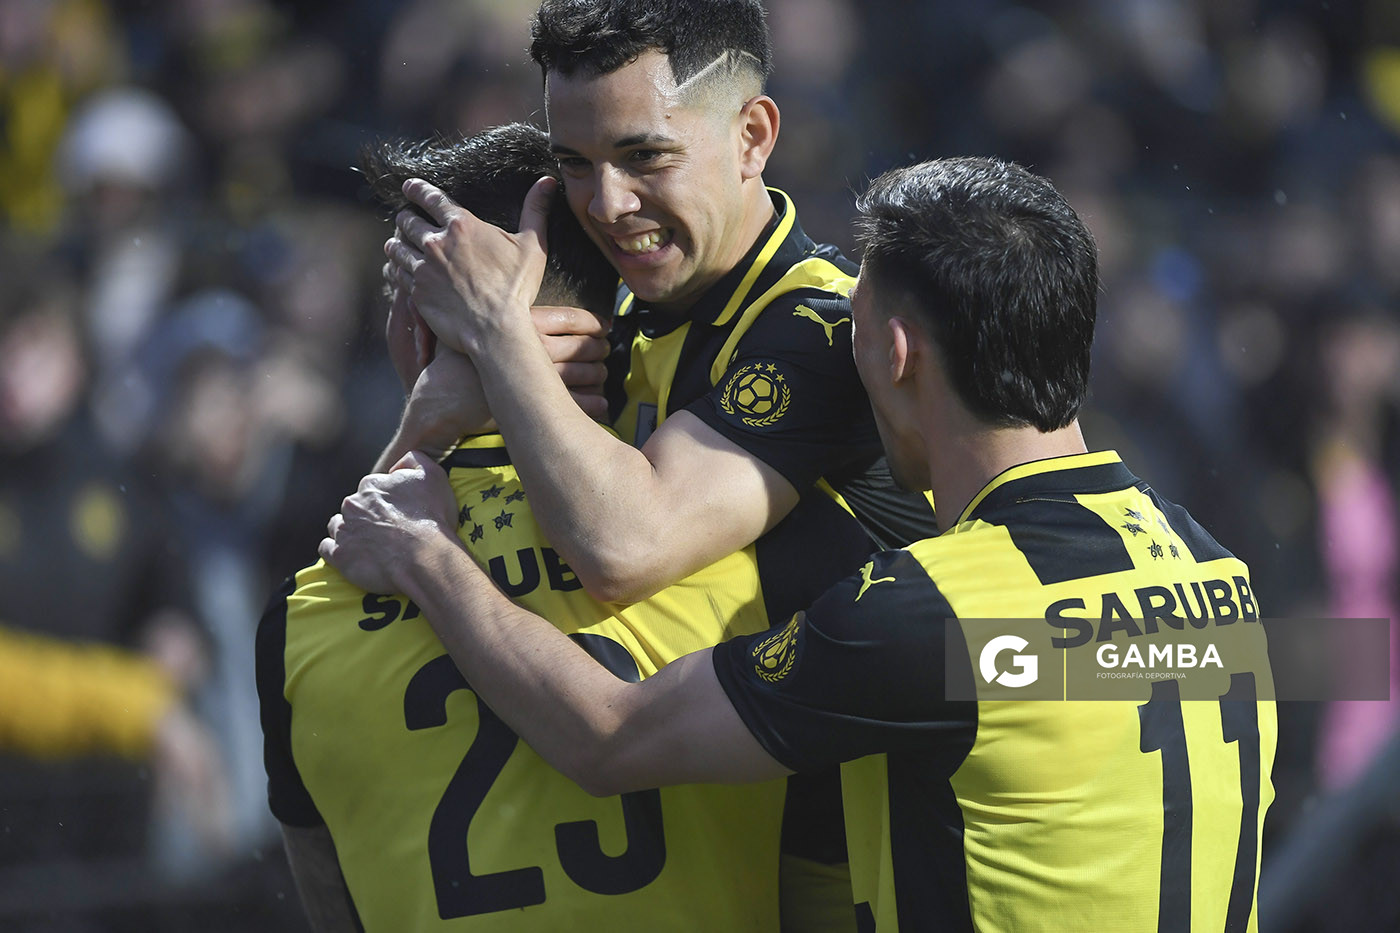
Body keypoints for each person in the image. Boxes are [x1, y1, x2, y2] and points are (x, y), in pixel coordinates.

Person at [324, 157, 1278, 931]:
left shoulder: (928, 620)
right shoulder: (1216, 571)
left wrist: (427, 555)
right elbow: (1326, 666)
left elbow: (609, 736)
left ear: (893, 354)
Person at [384, 2, 937, 910]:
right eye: (574, 166)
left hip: (869, 881)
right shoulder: (614, 327)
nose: (607, 205)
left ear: (752, 136)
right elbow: (374, 537)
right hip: (711, 868)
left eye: (645, 157)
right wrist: (431, 413)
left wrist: (494, 337)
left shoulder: (828, 331)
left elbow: (622, 546)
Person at [258, 123, 796, 932]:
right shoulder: (746, 556)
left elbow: (337, 911)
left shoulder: (303, 621)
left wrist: (420, 437)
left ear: (412, 328)